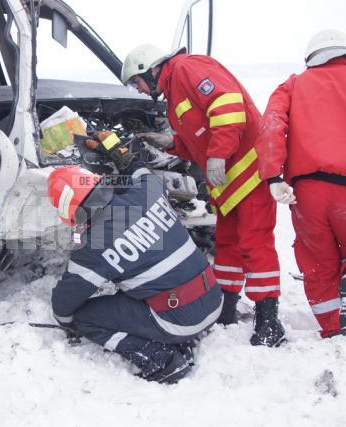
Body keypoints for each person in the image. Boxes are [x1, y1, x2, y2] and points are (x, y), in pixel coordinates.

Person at [120, 44, 285, 346]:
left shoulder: (187, 68)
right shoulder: (173, 97)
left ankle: (269, 320)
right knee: (228, 246)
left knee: (255, 243)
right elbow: (195, 142)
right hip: (227, 185)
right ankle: (226, 309)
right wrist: (170, 143)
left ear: (149, 69)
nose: (139, 90)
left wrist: (218, 156)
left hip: (249, 171)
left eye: (137, 82)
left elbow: (228, 105)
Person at [47, 134, 222, 384]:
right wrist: (116, 150)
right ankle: (182, 335)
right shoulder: (146, 193)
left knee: (86, 318)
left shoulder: (93, 247)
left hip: (180, 320)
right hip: (212, 297)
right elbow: (139, 169)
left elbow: (63, 304)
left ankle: (160, 359)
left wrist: (68, 324)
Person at [255, 29, 346, 338]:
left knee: (318, 260)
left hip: (309, 193)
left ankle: (333, 328)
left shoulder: (294, 84)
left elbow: (270, 127)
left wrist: (273, 176)